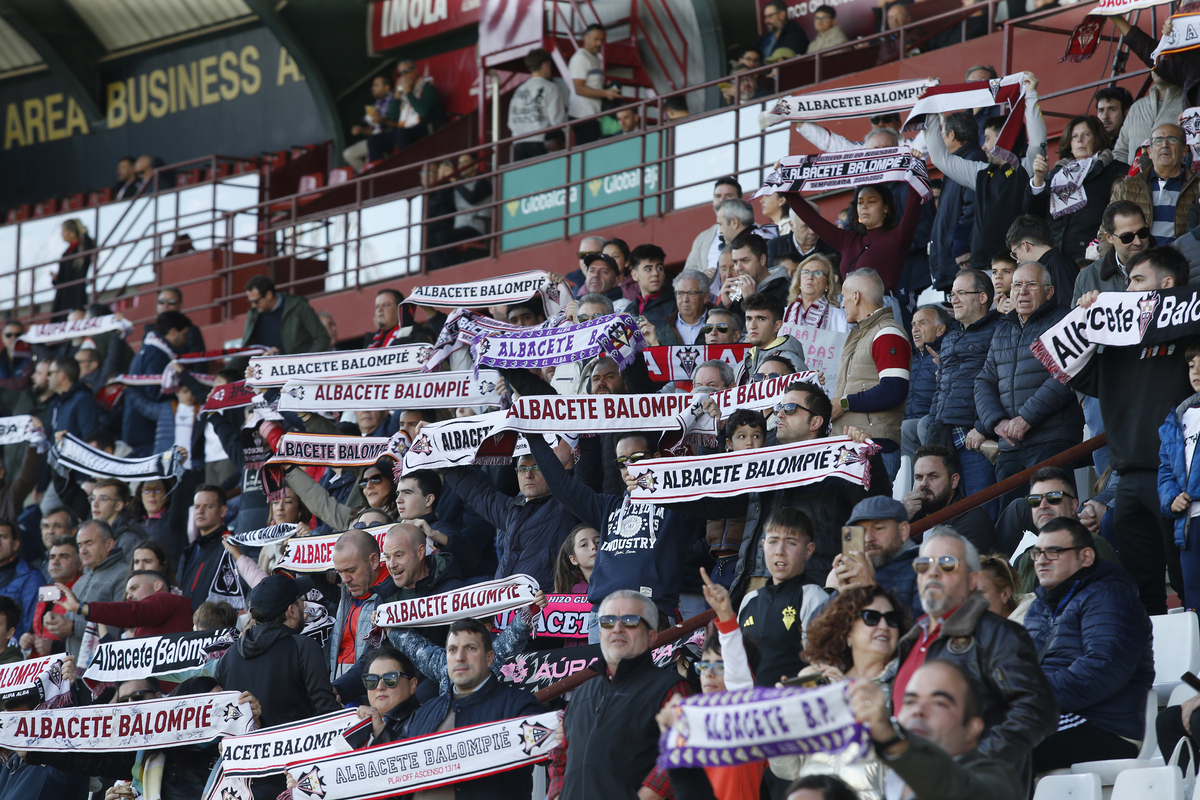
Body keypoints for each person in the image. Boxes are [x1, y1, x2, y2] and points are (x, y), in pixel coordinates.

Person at [1074, 247, 1192, 614]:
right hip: (1126, 481)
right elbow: (1073, 373)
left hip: (1179, 481)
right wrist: (1087, 319)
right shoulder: (1115, 339)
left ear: (1167, 285)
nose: (1127, 290)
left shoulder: (1192, 334)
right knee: (1142, 595)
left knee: (1191, 585)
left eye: (1138, 280)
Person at [894, 527, 1058, 787]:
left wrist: (971, 767)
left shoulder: (999, 634)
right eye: (923, 564)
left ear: (972, 580)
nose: (933, 572)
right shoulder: (910, 641)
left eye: (947, 563)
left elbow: (1038, 710)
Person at [528, 430, 701, 629]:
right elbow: (563, 487)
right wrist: (533, 437)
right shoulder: (608, 506)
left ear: (656, 458)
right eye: (622, 462)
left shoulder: (679, 503)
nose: (629, 467)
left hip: (652, 613)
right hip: (602, 616)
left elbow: (706, 482)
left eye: (636, 458)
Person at [1022, 517, 1154, 771]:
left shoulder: (1111, 597)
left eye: (1054, 551)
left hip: (1103, 726)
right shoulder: (1039, 606)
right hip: (1054, 713)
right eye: (1037, 553)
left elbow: (1103, 668)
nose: (1041, 560)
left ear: (1085, 557)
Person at [549, 589, 692, 800]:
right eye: (607, 621)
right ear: (600, 634)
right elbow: (560, 752)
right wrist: (558, 794)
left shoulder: (671, 689)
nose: (617, 628)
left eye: (630, 621)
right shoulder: (582, 692)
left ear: (652, 636)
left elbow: (681, 752)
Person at [769, 586, 910, 798]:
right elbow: (787, 770)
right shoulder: (817, 682)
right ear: (847, 630)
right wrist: (781, 720)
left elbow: (909, 759)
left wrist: (847, 696)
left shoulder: (906, 682)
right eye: (871, 617)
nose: (883, 625)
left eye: (892, 619)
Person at [215, 574, 340, 798]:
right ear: (291, 610)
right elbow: (327, 714)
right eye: (300, 600)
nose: (304, 605)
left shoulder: (229, 656)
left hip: (248, 782)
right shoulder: (303, 647)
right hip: (298, 780)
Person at [400, 619, 545, 799]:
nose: (460, 657)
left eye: (470, 648)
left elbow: (552, 749)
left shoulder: (518, 706)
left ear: (490, 658)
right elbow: (394, 770)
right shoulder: (424, 712)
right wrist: (379, 731)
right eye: (452, 649)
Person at [847, 660, 1025, 800]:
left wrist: (892, 740)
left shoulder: (999, 782)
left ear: (972, 729)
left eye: (939, 703)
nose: (918, 710)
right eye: (910, 701)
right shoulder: (890, 778)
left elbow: (955, 791)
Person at [974, 262, 1082, 488]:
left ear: (1049, 292)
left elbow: (1065, 373)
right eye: (1016, 286)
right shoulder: (1002, 328)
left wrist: (1026, 419)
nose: (1022, 292)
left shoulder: (1064, 320)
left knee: (1052, 514)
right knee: (1013, 520)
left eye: (1031, 285)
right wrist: (997, 421)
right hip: (1009, 445)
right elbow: (984, 380)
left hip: (1051, 440)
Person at [927, 72, 1047, 271]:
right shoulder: (981, 173)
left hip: (1019, 267)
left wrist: (1031, 94)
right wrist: (929, 110)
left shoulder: (1026, 168)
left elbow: (1037, 140)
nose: (983, 146)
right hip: (983, 268)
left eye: (988, 139)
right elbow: (940, 158)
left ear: (1005, 139)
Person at [737, 508, 829, 686]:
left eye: (791, 543)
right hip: (751, 705)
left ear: (809, 550)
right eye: (773, 541)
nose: (780, 551)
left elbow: (821, 668)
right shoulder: (750, 599)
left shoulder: (813, 597)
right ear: (763, 545)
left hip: (792, 705)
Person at [832, 268, 911, 458]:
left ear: (856, 297)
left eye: (843, 297)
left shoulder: (887, 333)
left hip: (875, 446)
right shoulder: (864, 333)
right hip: (853, 445)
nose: (842, 304)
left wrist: (843, 403)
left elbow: (894, 390)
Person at [1025, 115, 1127, 262]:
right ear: (1070, 144)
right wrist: (1038, 179)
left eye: (1086, 135)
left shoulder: (1115, 170)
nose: (1080, 140)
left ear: (1098, 138)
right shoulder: (1057, 174)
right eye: (1074, 136)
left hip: (1093, 257)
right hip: (1057, 258)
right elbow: (1033, 213)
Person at [829, 496, 921, 620]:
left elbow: (924, 630)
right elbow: (814, 631)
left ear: (903, 531)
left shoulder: (924, 570)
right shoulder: (854, 572)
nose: (868, 539)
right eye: (861, 531)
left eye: (878, 529)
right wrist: (840, 598)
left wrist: (872, 590)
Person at [1159, 339, 1200, 613]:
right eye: (1192, 365)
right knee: (1194, 602)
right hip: (1188, 525)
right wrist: (1171, 498)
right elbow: (1165, 468)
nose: (1196, 371)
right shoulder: (1178, 417)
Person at [42, 520, 126, 654]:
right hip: (76, 670)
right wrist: (57, 625)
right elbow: (69, 630)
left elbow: (123, 628)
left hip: (104, 670)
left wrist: (74, 627)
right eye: (80, 545)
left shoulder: (124, 576)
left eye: (89, 543)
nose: (83, 551)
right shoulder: (81, 580)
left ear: (109, 544)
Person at [1110, 123, 1199, 245]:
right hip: (1139, 262)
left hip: (1182, 262)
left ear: (1184, 150)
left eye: (1172, 140)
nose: (1164, 145)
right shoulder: (1126, 188)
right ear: (1150, 152)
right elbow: (1107, 231)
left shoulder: (1197, 188)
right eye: (1158, 140)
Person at [928, 112, 987, 292]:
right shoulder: (960, 162)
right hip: (954, 264)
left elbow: (972, 210)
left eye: (943, 135)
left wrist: (958, 247)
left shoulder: (972, 161)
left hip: (962, 264)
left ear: (952, 135)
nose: (942, 140)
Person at [903, 446, 997, 552]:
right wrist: (901, 518)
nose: (924, 484)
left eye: (933, 476)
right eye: (919, 477)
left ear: (953, 481)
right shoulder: (911, 514)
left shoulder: (973, 519)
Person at [329, 528, 392, 679]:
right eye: (340, 572)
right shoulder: (348, 592)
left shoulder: (392, 596)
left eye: (351, 570)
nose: (345, 579)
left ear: (374, 561)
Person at [56, 568, 192, 637]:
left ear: (157, 586)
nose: (129, 596)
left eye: (135, 588)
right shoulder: (142, 621)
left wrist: (82, 607)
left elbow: (135, 611)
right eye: (127, 592)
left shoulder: (168, 599)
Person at [177, 485, 248, 611]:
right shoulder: (189, 550)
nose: (200, 511)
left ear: (223, 511)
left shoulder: (232, 546)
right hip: (188, 623)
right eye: (197, 506)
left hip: (215, 625)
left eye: (208, 506)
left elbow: (241, 591)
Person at [343, 645, 422, 747]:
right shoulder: (356, 723)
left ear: (412, 685)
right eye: (372, 680)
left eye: (390, 679)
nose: (380, 687)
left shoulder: (425, 717)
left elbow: (412, 759)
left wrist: (380, 731)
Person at [427, 151, 492, 270]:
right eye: (459, 163)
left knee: (443, 237)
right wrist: (443, 181)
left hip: (477, 227)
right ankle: (441, 268)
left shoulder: (483, 181)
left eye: (465, 162)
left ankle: (453, 268)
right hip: (460, 228)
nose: (461, 166)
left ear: (475, 165)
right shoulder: (459, 185)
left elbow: (471, 198)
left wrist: (454, 180)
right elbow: (444, 203)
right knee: (427, 237)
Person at [1074, 201, 1150, 304]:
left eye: (1142, 233)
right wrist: (1083, 310)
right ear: (1109, 238)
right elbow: (1075, 319)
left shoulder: (1168, 267)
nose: (1137, 241)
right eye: (1127, 237)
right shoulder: (1087, 277)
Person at [241, 275, 330, 358]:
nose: (253, 306)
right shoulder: (253, 314)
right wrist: (230, 372)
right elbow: (247, 348)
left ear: (268, 295)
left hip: (297, 369)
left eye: (256, 301)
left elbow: (322, 337)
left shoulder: (298, 306)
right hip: (266, 369)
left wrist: (307, 361)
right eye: (250, 302)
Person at [904, 305, 950, 462]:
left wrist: (944, 369)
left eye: (921, 323)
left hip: (934, 422)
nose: (915, 329)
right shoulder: (909, 360)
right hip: (910, 425)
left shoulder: (948, 355)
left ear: (940, 329)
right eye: (913, 325)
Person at [508, 49, 567, 161]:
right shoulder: (550, 88)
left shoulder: (519, 90)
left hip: (518, 143)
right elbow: (557, 120)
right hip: (540, 142)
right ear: (545, 65)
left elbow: (510, 121)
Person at [737, 292, 808, 384]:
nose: (752, 326)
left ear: (777, 325)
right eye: (749, 319)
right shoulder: (742, 364)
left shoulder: (793, 362)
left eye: (761, 319)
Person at [568, 24, 622, 145]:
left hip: (592, 114)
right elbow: (579, 88)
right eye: (596, 39)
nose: (599, 43)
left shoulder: (595, 58)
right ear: (586, 38)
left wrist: (605, 87)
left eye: (601, 40)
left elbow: (591, 84)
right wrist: (605, 93)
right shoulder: (580, 58)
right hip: (583, 115)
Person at [1004, 215, 1080, 298]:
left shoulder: (1059, 263)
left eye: (1015, 254)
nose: (1017, 261)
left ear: (1024, 246)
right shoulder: (1056, 263)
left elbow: (1067, 304)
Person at [685, 177, 743, 280]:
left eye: (729, 196)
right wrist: (703, 276)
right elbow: (687, 273)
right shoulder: (702, 238)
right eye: (718, 196)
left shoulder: (756, 231)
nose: (722, 200)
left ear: (740, 201)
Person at [782, 254, 848, 332]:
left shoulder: (838, 317)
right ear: (799, 281)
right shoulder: (784, 314)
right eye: (805, 272)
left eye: (817, 273)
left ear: (827, 284)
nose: (810, 277)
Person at [342, 74, 395, 172]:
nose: (373, 88)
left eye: (376, 85)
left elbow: (394, 122)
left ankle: (373, 175)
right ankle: (366, 174)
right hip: (374, 140)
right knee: (348, 154)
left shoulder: (394, 99)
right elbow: (375, 129)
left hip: (388, 139)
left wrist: (382, 120)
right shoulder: (378, 103)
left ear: (387, 87)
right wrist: (361, 130)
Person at [87, 479, 147, 557]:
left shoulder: (129, 540)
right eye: (93, 498)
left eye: (103, 499)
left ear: (118, 506)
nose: (94, 504)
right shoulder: (90, 533)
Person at [649, 270, 709, 346]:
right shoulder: (662, 333)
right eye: (680, 293)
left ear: (705, 296)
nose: (685, 299)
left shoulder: (718, 326)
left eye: (691, 293)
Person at [0, 519, 37, 637]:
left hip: (12, 653)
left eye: (3, 537)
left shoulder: (31, 577)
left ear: (15, 544)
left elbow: (31, 628)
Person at [47, 358, 99, 439]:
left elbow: (89, 436)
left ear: (62, 376)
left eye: (50, 373)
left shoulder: (83, 400)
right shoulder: (56, 402)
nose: (48, 377)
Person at [51, 219, 92, 320]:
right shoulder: (66, 253)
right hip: (62, 298)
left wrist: (85, 233)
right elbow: (61, 280)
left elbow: (89, 248)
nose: (62, 234)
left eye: (64, 231)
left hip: (76, 296)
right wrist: (55, 279)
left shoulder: (82, 249)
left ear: (73, 233)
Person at [629, 244, 676, 327]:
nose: (655, 273)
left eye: (659, 268)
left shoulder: (677, 305)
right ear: (634, 275)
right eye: (648, 269)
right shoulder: (629, 310)